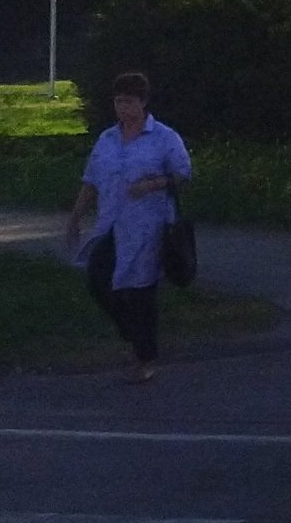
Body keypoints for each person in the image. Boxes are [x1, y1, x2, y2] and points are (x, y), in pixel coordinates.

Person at [65, 71, 195, 380]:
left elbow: (183, 174)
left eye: (129, 102)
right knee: (99, 277)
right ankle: (133, 337)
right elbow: (91, 180)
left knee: (141, 292)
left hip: (147, 226)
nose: (123, 108)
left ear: (143, 102)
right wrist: (75, 217)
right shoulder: (107, 139)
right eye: (118, 101)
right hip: (110, 222)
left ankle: (144, 358)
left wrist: (153, 184)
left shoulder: (164, 137)